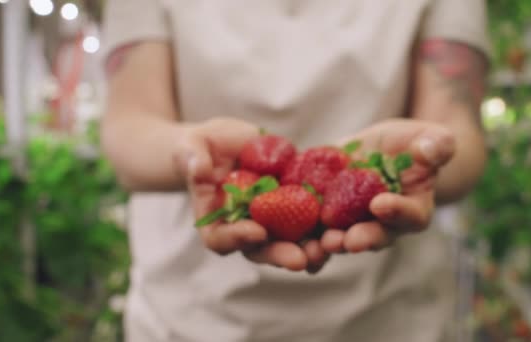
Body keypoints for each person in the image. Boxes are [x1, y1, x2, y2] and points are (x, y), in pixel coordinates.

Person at [100, 0, 489, 341]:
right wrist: (188, 155)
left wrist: (424, 158)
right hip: (191, 316)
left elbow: (458, 126)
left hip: (390, 315)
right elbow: (130, 123)